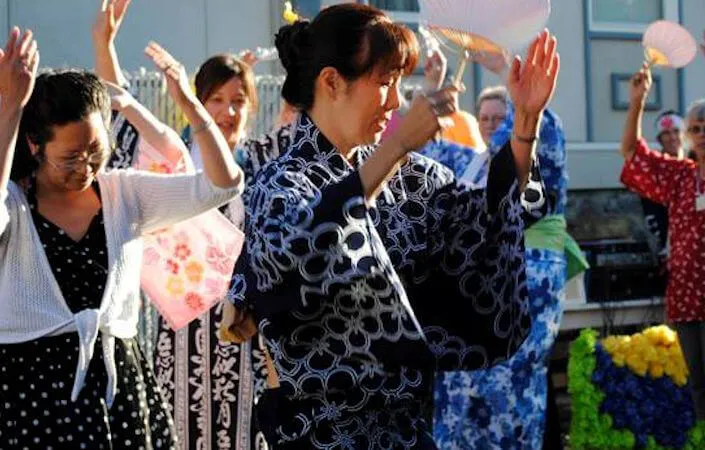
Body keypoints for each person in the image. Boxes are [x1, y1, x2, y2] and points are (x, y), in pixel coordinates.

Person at [222, 3, 559, 448]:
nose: (397, 100)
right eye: (384, 82)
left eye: (399, 83)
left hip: (404, 425)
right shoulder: (280, 181)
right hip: (320, 431)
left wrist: (525, 123)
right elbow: (301, 247)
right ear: (331, 82)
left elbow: (497, 215)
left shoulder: (407, 175)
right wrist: (396, 146)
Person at [0, 26, 243, 449]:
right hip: (30, 390)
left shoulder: (124, 192)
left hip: (119, 389)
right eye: (70, 157)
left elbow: (221, 186)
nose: (87, 166)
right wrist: (10, 109)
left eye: (97, 151)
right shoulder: (16, 203)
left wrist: (189, 105)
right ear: (35, 146)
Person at [91, 2, 292, 447]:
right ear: (196, 103)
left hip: (244, 327)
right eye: (216, 100)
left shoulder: (264, 162)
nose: (228, 111)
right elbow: (121, 117)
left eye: (238, 101)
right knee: (180, 429)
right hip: (181, 327)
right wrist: (103, 44)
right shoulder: (174, 160)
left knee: (244, 433)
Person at [620, 62, 705, 419]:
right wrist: (637, 103)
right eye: (695, 129)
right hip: (687, 296)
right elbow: (631, 154)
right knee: (700, 392)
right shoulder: (681, 176)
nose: (701, 134)